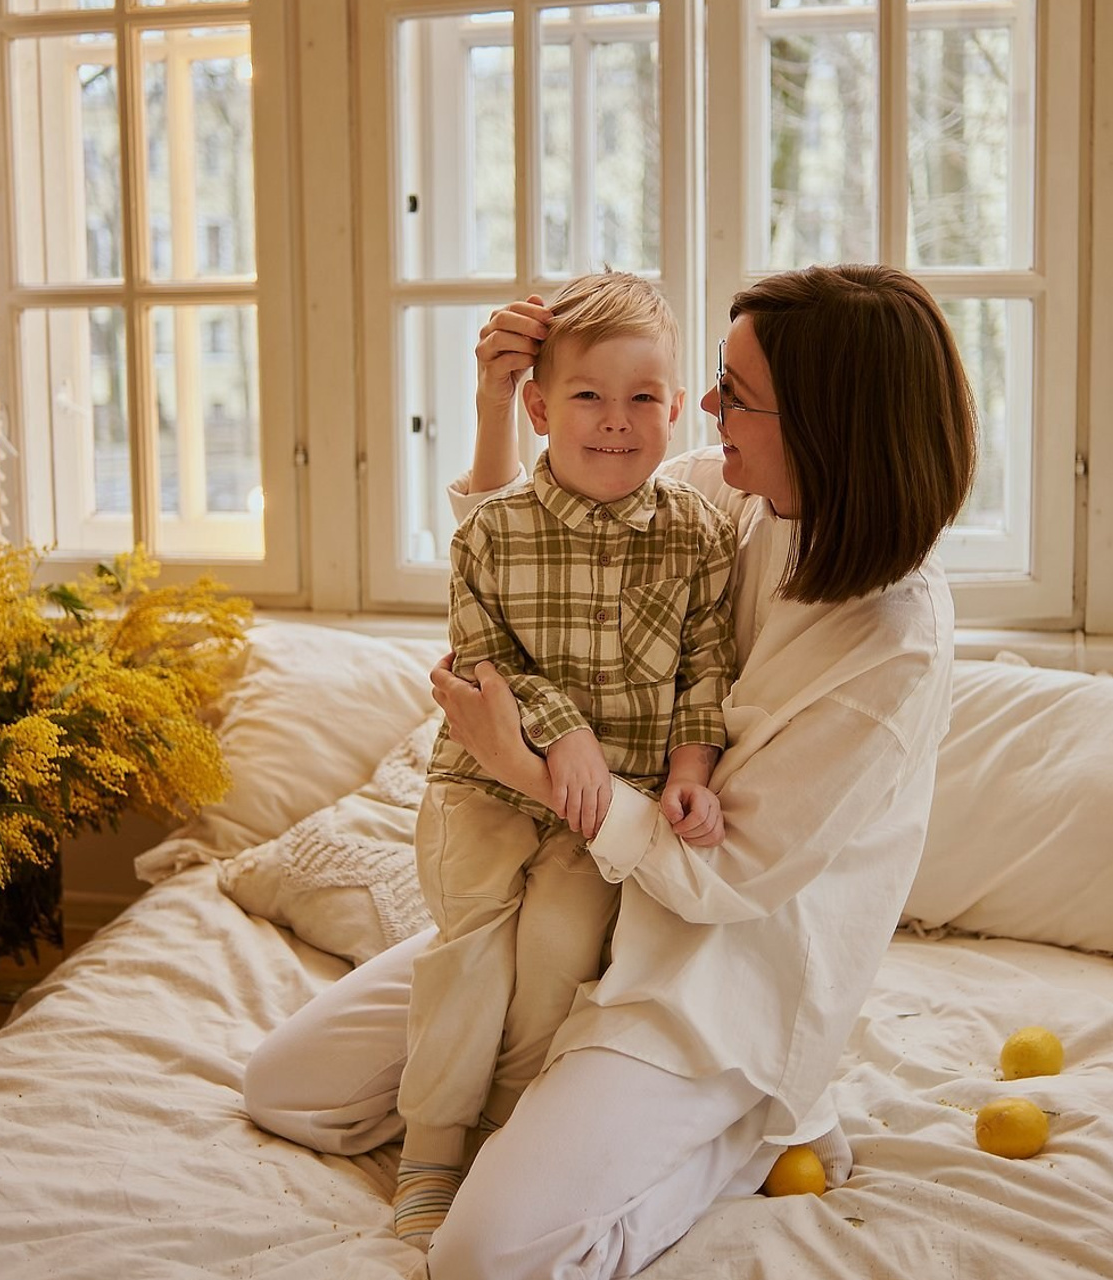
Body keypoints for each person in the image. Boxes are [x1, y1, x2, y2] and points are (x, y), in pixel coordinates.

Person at [243, 262, 978, 1280]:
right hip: (578, 892)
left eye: (733, 393)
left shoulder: (887, 645)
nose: (702, 409)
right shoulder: (719, 494)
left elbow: (721, 879)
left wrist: (531, 766)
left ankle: (743, 1129)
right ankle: (536, 1071)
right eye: (713, 379)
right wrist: (495, 403)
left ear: (822, 424)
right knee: (287, 1087)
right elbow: (524, 556)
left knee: (482, 1259)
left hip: (708, 977)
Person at [391, 269, 739, 1248]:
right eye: (588, 395)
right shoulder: (491, 529)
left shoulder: (699, 536)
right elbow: (480, 653)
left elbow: (706, 668)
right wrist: (562, 728)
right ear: (538, 407)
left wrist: (688, 771)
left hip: (603, 810)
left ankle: (506, 1129)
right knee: (468, 951)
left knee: (556, 951)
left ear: (676, 408)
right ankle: (429, 1142)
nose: (616, 422)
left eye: (642, 399)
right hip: (484, 787)